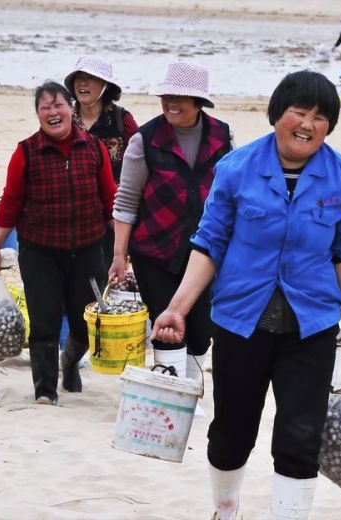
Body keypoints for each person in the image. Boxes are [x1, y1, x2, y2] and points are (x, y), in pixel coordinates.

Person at [151, 70, 341, 520]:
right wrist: (177, 308)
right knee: (232, 432)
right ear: (277, 116)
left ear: (329, 127)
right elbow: (209, 245)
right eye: (299, 112)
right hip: (239, 321)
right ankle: (225, 510)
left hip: (310, 326)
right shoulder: (235, 170)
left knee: (301, 434)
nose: (308, 124)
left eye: (320, 117)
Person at [0, 81, 116, 405]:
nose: (53, 113)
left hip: (88, 249)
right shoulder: (26, 151)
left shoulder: (93, 148)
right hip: (40, 251)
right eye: (45, 108)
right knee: (44, 322)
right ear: (38, 115)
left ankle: (69, 362)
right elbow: (11, 203)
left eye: (58, 105)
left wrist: (122, 250)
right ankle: (45, 389)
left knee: (86, 322)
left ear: (71, 108)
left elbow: (110, 199)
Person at [109, 61, 233, 386]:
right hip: (156, 251)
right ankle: (171, 386)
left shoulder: (223, 136)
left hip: (207, 250)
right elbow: (126, 201)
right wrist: (119, 255)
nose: (170, 103)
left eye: (180, 97)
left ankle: (191, 387)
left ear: (198, 103)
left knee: (203, 326)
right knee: (165, 323)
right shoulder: (144, 139)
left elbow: (235, 195)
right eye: (166, 96)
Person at [64, 55, 139, 268]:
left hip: (112, 212)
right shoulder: (64, 119)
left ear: (106, 86)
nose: (83, 83)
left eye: (91, 78)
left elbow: (140, 164)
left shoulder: (122, 120)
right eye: (79, 78)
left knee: (104, 271)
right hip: (71, 210)